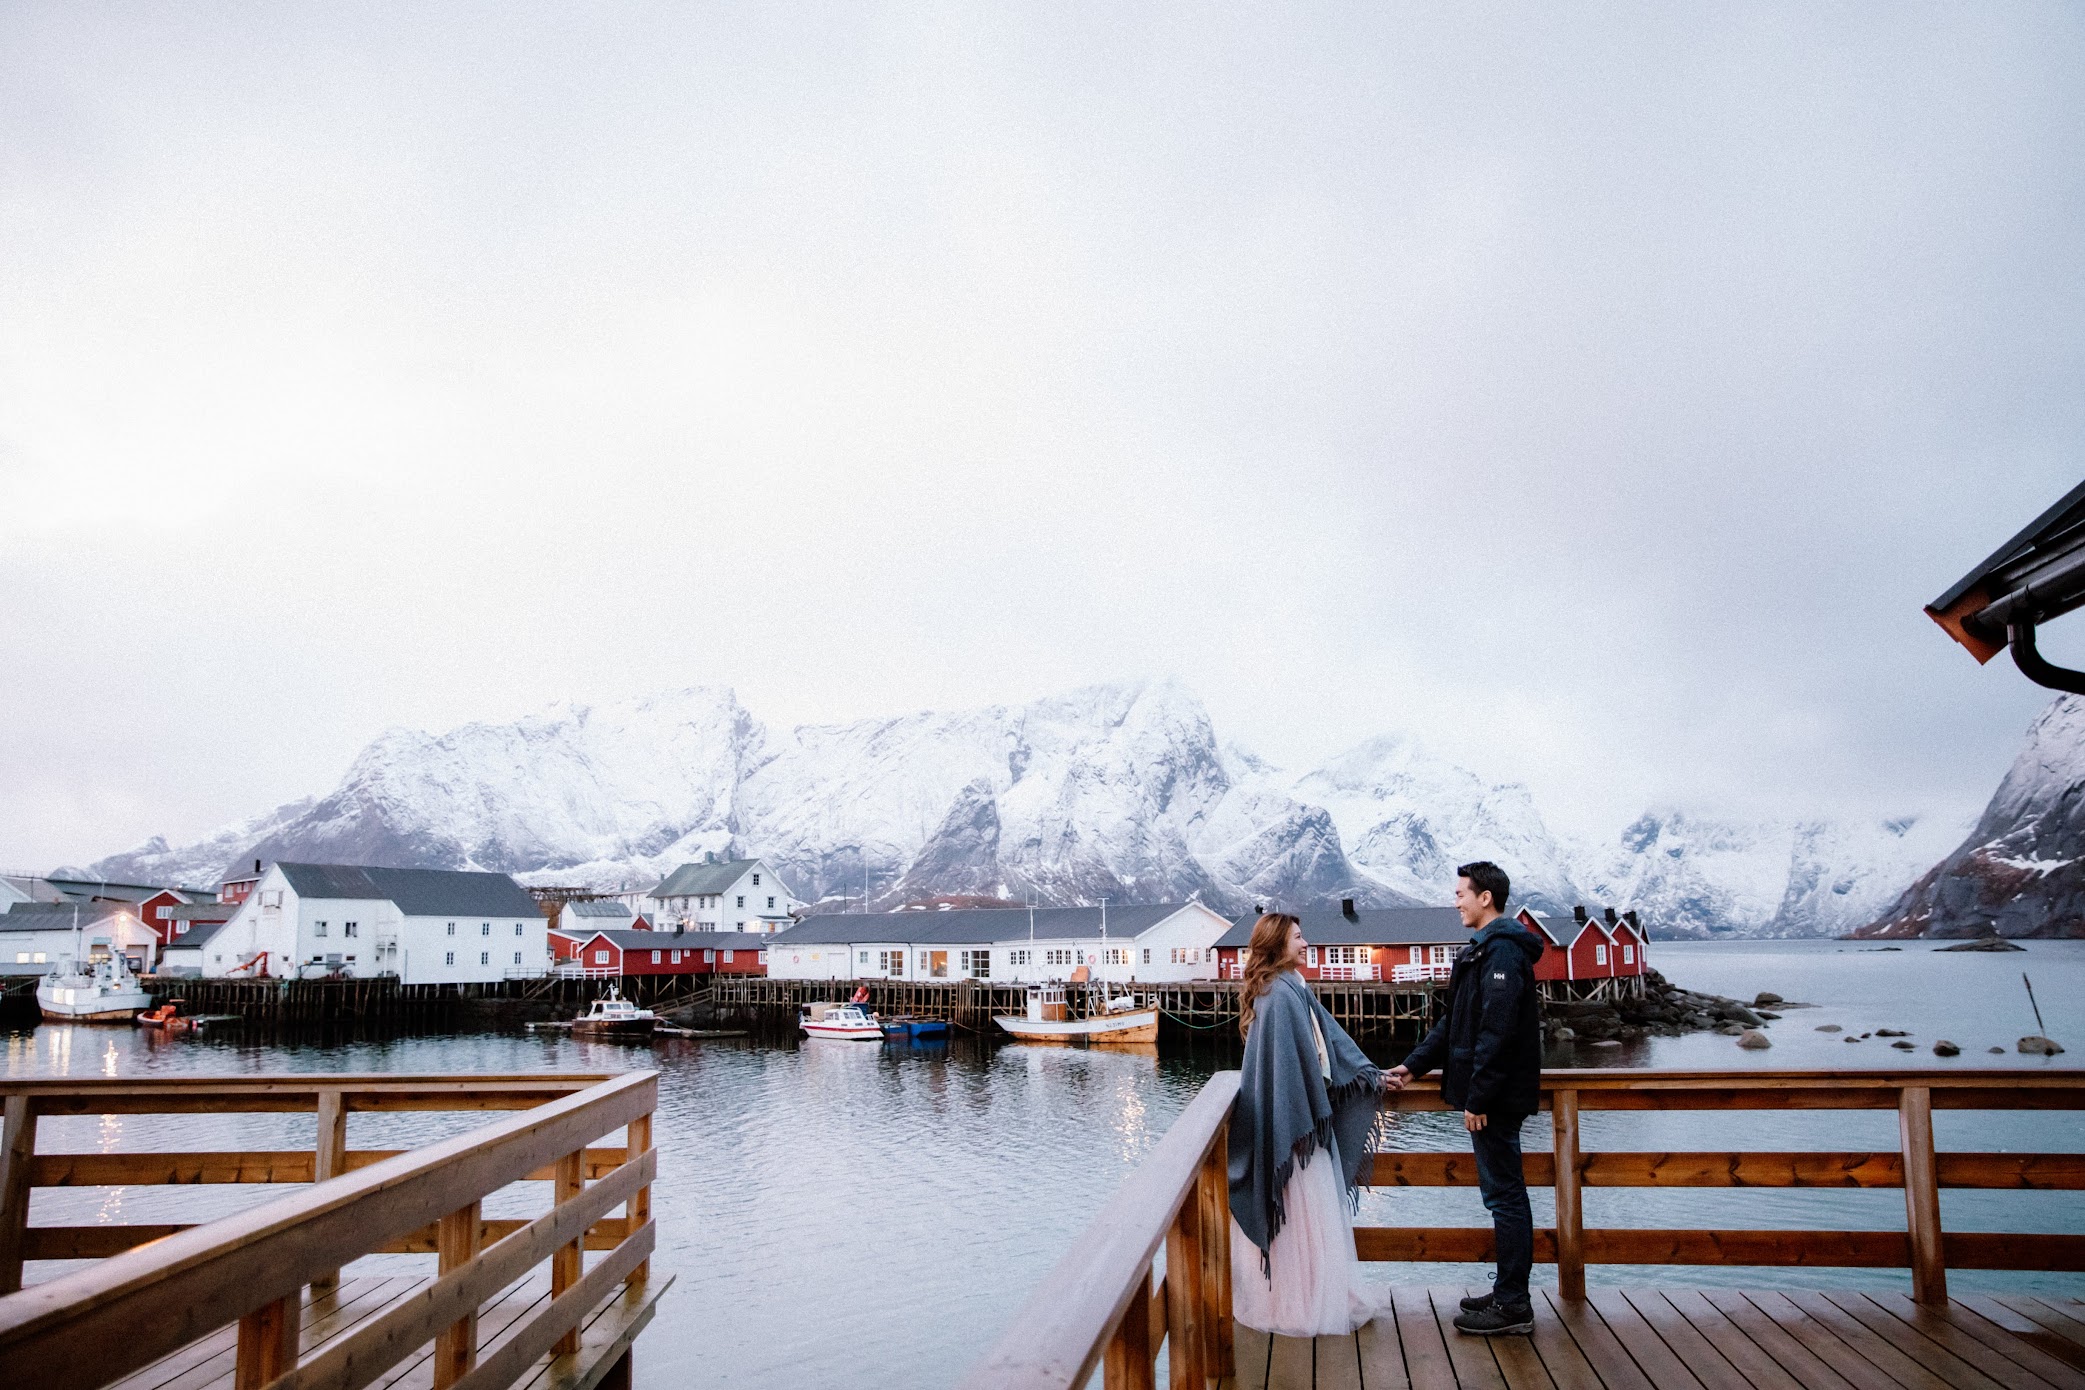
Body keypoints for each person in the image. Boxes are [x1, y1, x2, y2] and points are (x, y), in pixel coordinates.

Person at [1386, 861, 1544, 1336]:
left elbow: (1496, 1033)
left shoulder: (1503, 955)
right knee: (1501, 1196)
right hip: (1489, 1097)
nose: (1455, 901)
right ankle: (1507, 1292)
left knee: (1506, 1197)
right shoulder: (1483, 951)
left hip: (1494, 1101)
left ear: (1485, 898)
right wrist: (1412, 1067)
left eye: (1460, 893)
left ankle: (1515, 1304)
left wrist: (1478, 1100)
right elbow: (1454, 1025)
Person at [1228, 912, 1396, 1337]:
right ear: (1278, 944)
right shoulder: (1280, 995)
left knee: (1304, 1225)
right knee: (1302, 1222)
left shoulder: (1290, 988)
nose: (1306, 943)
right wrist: (1309, 1110)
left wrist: (1371, 1074)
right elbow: (1293, 1067)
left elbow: (1330, 1039)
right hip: (1297, 1133)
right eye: (1299, 937)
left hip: (1300, 1127)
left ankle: (1305, 1297)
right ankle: (1301, 1304)